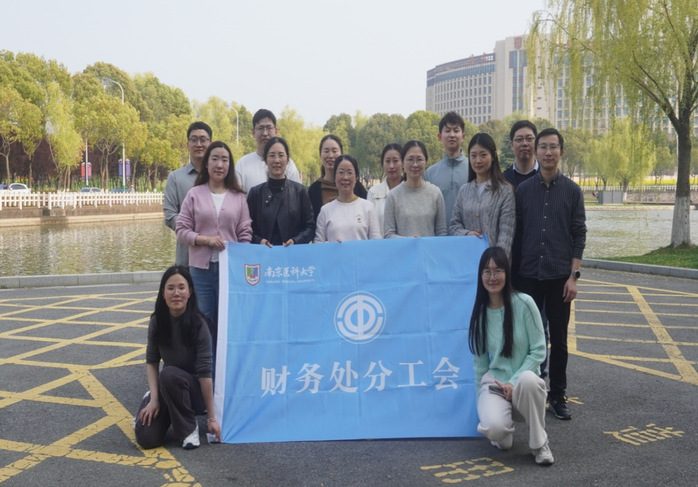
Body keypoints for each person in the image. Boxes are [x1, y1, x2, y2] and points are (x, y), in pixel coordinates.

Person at [515, 128, 587, 421]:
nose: (548, 152)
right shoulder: (523, 191)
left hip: (559, 277)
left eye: (553, 147)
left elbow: (579, 233)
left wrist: (574, 276)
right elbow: (517, 234)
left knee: (559, 340)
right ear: (536, 152)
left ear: (561, 152)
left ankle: (557, 395)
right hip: (528, 275)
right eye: (542, 146)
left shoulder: (572, 190)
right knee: (527, 339)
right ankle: (527, 393)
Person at [469, 247, 553, 465]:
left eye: (498, 270)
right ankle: (502, 428)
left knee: (529, 380)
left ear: (507, 273)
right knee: (498, 434)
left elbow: (538, 350)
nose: (492, 277)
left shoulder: (525, 303)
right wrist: (482, 404)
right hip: (495, 385)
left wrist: (513, 382)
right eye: (487, 271)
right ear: (480, 276)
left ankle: (540, 444)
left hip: (524, 387)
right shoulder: (480, 314)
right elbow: (480, 365)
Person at [176, 141, 252, 352]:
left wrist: (239, 257)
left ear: (230, 165)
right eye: (215, 159)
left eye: (224, 160)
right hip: (201, 271)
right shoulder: (194, 194)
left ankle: (225, 369)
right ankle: (206, 369)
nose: (220, 164)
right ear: (207, 164)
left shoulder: (239, 197)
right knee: (204, 321)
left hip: (230, 271)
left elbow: (245, 232)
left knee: (228, 321)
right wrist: (205, 239)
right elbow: (181, 230)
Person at [134, 265, 221, 450]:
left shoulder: (200, 324)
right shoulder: (157, 321)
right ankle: (149, 397)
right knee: (147, 438)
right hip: (168, 387)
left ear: (190, 292)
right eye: (171, 288)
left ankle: (189, 430)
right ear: (163, 293)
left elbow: (205, 372)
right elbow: (151, 362)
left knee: (169, 374)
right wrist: (154, 400)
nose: (176, 293)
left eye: (181, 287)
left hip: (194, 392)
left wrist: (211, 418)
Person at [449, 133, 515, 259]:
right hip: (467, 260)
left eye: (483, 155)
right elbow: (454, 226)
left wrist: (496, 264)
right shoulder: (464, 191)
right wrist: (466, 234)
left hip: (495, 264)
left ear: (493, 156)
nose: (478, 160)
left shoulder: (505, 191)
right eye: (473, 156)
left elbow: (506, 235)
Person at [247, 137, 315, 246]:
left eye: (281, 155)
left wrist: (296, 241)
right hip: (263, 254)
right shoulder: (255, 193)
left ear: (287, 159)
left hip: (293, 254)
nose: (277, 160)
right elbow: (247, 228)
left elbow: (310, 227)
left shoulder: (300, 192)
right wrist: (259, 241)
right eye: (272, 155)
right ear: (265, 159)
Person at [163, 122, 212, 266]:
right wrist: (193, 232)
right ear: (187, 145)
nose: (198, 144)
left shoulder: (220, 176)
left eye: (203, 140)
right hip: (187, 256)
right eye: (194, 140)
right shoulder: (175, 177)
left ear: (210, 143)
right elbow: (170, 215)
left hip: (216, 255)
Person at [383, 140, 447, 238]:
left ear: (426, 162)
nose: (415, 164)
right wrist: (410, 241)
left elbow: (441, 232)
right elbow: (388, 234)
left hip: (429, 248)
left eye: (419, 159)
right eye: (410, 159)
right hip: (403, 248)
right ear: (403, 163)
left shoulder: (435, 193)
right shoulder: (393, 196)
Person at [314, 154, 380, 242]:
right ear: (335, 177)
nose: (345, 177)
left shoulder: (368, 208)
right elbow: (318, 243)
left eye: (349, 173)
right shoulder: (325, 211)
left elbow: (376, 241)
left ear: (356, 177)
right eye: (341, 172)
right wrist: (331, 246)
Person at [235, 109, 302, 192]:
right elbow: (237, 197)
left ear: (276, 131)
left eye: (269, 128)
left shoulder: (288, 164)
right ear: (253, 132)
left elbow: (297, 194)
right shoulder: (242, 164)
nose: (265, 133)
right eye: (260, 128)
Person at [308, 134, 368, 222]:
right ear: (320, 155)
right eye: (326, 151)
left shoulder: (355, 186)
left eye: (334, 151)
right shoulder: (314, 190)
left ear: (341, 154)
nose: (330, 155)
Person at [424, 111, 468, 225]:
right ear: (440, 137)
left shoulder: (474, 169)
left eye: (456, 130)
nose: (452, 135)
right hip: (438, 235)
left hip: (468, 234)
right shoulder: (429, 174)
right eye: (447, 131)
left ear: (463, 136)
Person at [367, 143, 403, 234]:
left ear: (403, 163)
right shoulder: (373, 192)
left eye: (395, 161)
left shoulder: (410, 190)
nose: (391, 166)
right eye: (387, 161)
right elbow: (371, 227)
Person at [503, 120, 539, 188]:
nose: (524, 143)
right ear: (512, 145)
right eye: (519, 139)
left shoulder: (547, 176)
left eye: (529, 139)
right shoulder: (504, 179)